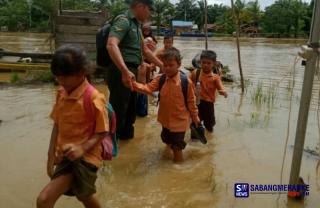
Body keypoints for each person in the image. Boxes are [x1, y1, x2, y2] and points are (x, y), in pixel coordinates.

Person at [37, 45, 109, 208]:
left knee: (44, 200)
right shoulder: (61, 93)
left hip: (86, 158)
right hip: (65, 155)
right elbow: (57, 124)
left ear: (81, 73)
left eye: (65, 77)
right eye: (58, 77)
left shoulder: (94, 98)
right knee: (85, 197)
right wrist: (50, 156)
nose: (61, 82)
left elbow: (103, 131)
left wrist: (82, 148)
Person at [106, 0, 163, 140]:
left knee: (130, 110)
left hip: (131, 71)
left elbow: (145, 51)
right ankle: (111, 147)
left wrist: (163, 66)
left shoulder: (136, 25)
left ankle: (125, 145)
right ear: (140, 6)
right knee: (119, 110)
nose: (149, 13)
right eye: (149, 9)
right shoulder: (124, 21)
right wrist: (125, 71)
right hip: (121, 70)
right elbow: (111, 45)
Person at [132, 47, 200, 162]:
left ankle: (178, 169)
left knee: (177, 147)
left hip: (179, 121)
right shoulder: (160, 79)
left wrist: (195, 117)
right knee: (167, 141)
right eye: (165, 65)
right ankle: (168, 159)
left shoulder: (185, 82)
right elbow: (147, 88)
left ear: (178, 64)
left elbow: (191, 102)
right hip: (165, 120)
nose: (167, 68)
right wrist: (133, 84)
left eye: (171, 65)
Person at [190, 50, 228, 133]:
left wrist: (223, 92)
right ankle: (194, 140)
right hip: (197, 103)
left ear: (214, 64)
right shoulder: (195, 73)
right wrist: (193, 89)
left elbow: (220, 88)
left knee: (209, 126)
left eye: (208, 63)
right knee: (195, 122)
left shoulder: (215, 77)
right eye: (203, 63)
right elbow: (188, 83)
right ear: (200, 62)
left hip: (208, 104)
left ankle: (209, 139)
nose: (205, 65)